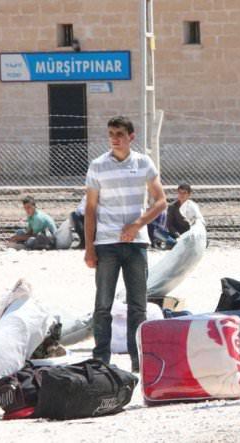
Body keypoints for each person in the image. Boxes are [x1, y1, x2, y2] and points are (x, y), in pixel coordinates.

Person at [84, 116, 167, 372]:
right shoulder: (98, 166)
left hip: (136, 244)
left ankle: (138, 361)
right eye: (111, 134)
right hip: (106, 244)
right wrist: (89, 248)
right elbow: (90, 209)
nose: (114, 139)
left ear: (131, 136)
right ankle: (101, 360)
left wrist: (137, 224)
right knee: (103, 305)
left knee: (138, 306)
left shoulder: (143, 163)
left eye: (119, 134)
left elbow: (161, 201)